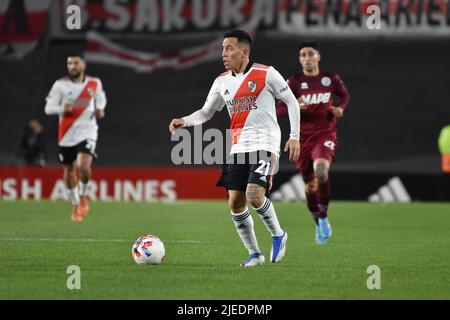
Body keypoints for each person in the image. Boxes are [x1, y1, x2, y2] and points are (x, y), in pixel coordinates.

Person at [169, 30, 300, 267]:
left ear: (244, 51)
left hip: (265, 143)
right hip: (238, 146)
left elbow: (291, 101)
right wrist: (185, 121)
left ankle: (278, 234)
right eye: (222, 49)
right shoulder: (221, 81)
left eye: (229, 48)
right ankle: (255, 253)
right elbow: (207, 112)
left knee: (254, 195)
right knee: (235, 203)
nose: (224, 54)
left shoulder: (266, 73)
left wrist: (294, 136)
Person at [276, 41, 350, 244]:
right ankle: (318, 221)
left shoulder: (330, 78)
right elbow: (278, 110)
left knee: (321, 172)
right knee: (310, 186)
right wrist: (295, 106)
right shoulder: (294, 82)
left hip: (325, 134)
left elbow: (344, 95)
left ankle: (324, 217)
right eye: (303, 55)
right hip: (303, 139)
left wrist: (340, 108)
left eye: (310, 54)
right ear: (300, 59)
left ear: (317, 56)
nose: (306, 58)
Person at [45, 53, 107, 222]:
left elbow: (101, 99)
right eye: (69, 63)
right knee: (69, 172)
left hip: (88, 130)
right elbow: (48, 108)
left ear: (83, 65)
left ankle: (84, 194)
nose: (72, 66)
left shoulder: (94, 83)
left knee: (83, 165)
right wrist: (61, 109)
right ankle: (75, 203)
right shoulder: (60, 85)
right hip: (66, 133)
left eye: (75, 63)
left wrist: (100, 108)